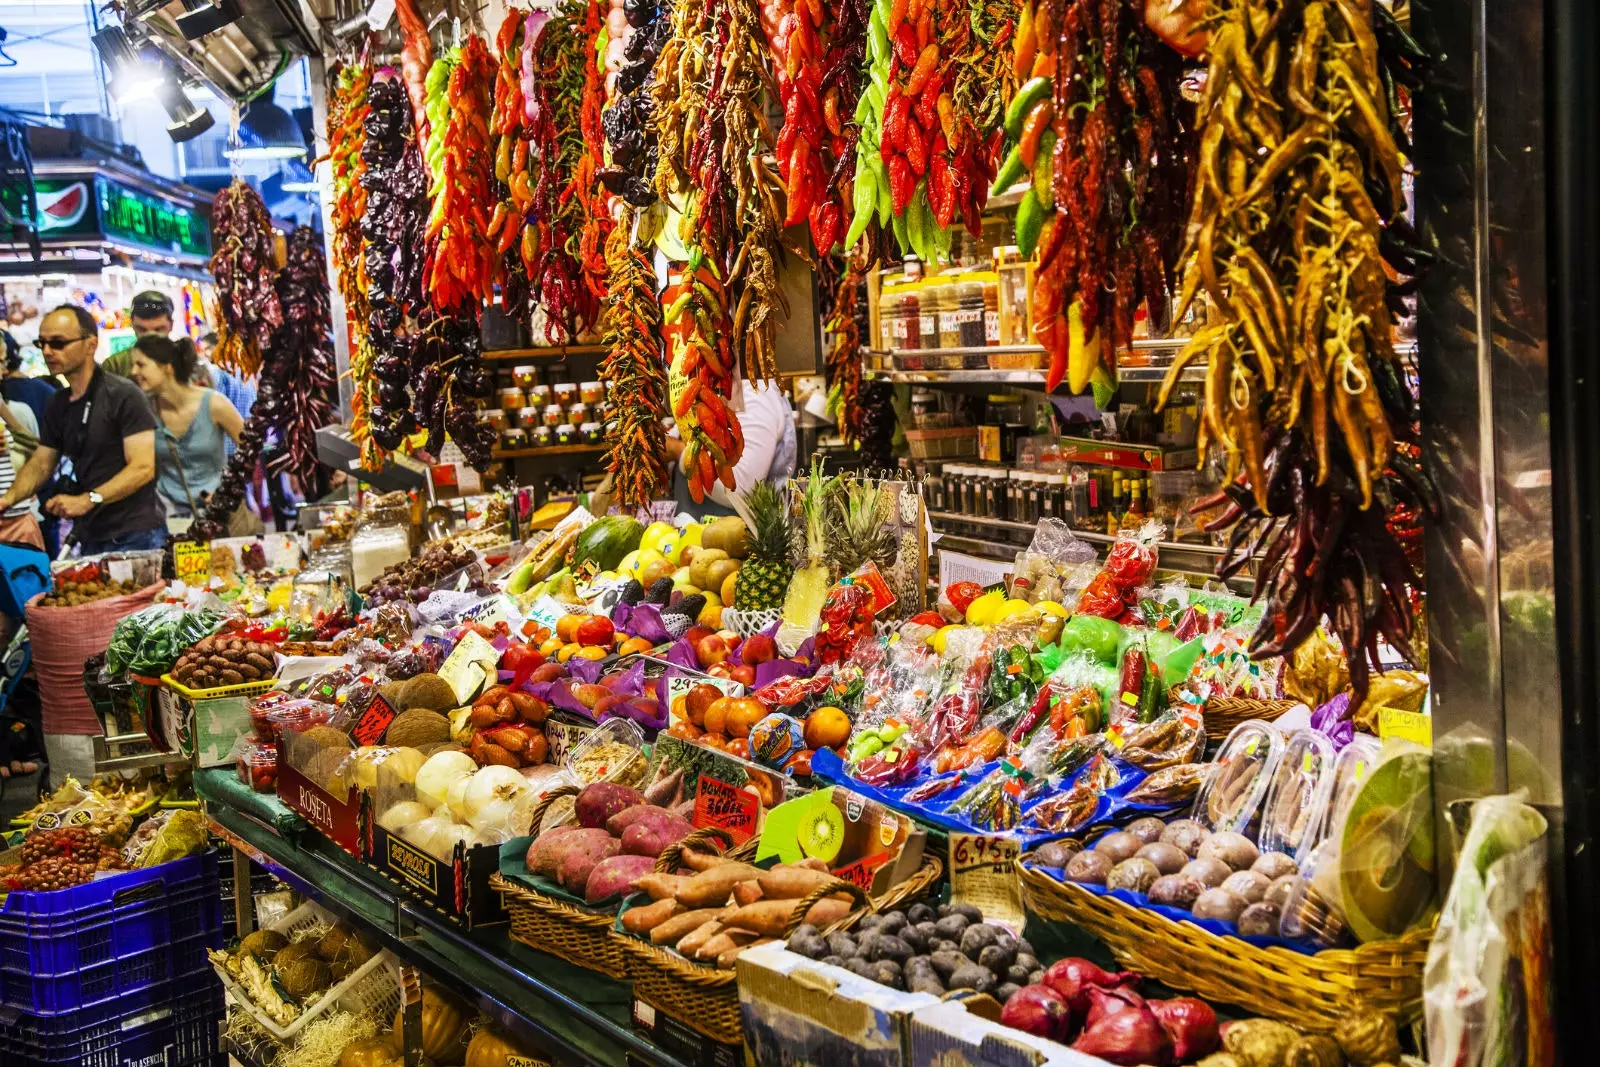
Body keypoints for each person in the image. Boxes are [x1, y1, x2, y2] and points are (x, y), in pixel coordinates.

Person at [0, 305, 164, 554]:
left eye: (58, 343)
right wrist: (7, 499)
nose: (47, 351)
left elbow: (143, 467)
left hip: (135, 534)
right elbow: (42, 463)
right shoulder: (59, 402)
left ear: (90, 344)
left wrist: (88, 499)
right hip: (90, 534)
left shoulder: (122, 394)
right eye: (41, 343)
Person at [128, 335, 245, 521]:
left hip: (220, 512)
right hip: (169, 516)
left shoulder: (215, 404)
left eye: (141, 365)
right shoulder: (145, 411)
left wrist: (229, 490)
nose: (134, 371)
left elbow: (250, 449)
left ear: (167, 367)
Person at [666, 378, 797, 516]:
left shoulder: (755, 394)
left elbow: (740, 490)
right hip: (694, 530)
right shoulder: (713, 386)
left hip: (742, 533)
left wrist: (678, 451)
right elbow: (686, 429)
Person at [102, 290, 174, 379]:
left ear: (171, 325)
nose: (150, 337)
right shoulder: (115, 366)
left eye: (158, 330)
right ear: (132, 326)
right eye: (142, 330)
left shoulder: (185, 362)